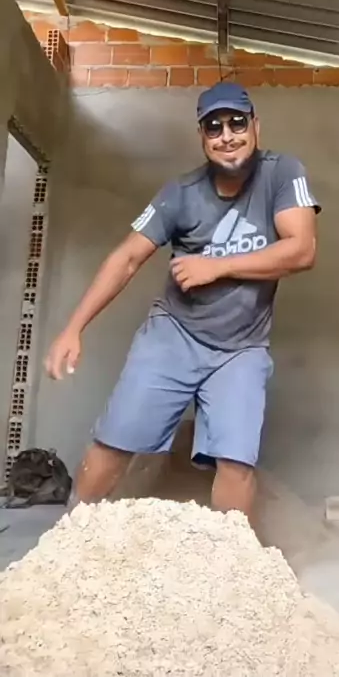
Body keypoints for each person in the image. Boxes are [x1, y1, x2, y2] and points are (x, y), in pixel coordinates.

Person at [45, 82, 320, 520]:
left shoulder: (283, 173)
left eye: (237, 123)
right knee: (115, 441)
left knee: (236, 460)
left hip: (241, 348)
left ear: (256, 126)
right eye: (214, 127)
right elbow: (126, 258)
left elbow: (301, 250)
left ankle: (230, 553)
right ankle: (70, 533)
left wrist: (217, 267)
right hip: (173, 336)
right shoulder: (180, 193)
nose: (226, 136)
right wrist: (73, 328)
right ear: (202, 137)